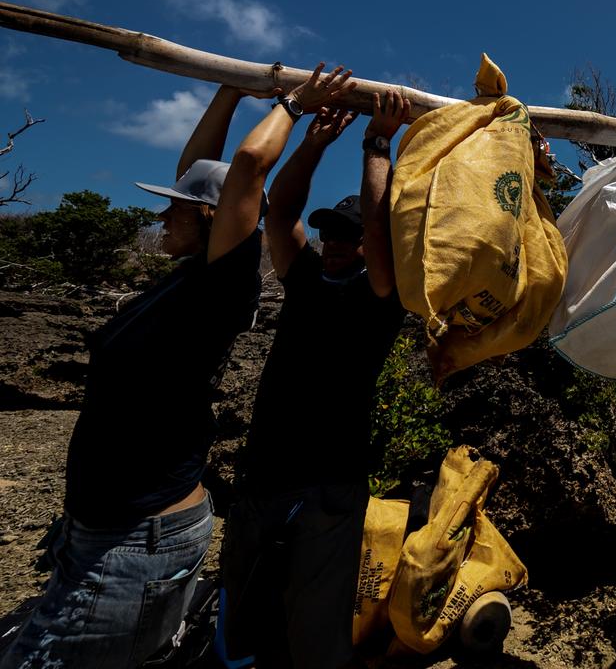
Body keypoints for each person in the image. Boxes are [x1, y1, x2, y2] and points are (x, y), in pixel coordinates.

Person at [0, 63, 352, 668]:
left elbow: (245, 171)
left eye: (177, 210)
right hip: (102, 527)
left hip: (137, 539)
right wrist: (230, 89)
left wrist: (294, 106)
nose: (162, 217)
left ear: (215, 220)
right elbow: (203, 176)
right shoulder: (189, 275)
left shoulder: (223, 284)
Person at [221, 89, 409, 668]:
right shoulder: (304, 281)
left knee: (316, 626)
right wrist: (313, 143)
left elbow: (381, 240)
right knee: (245, 611)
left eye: (346, 238)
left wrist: (377, 145)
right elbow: (279, 214)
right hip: (262, 475)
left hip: (328, 483)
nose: (334, 245)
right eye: (330, 234)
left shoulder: (381, 294)